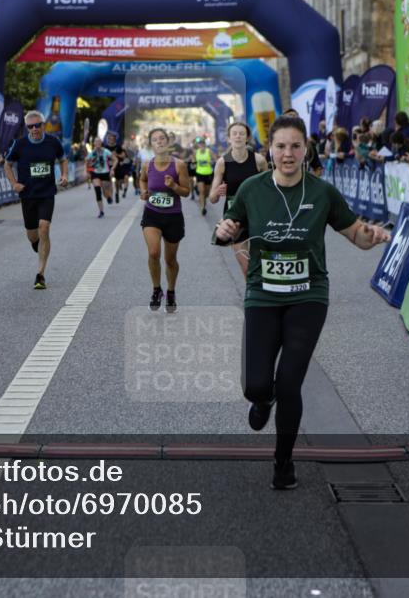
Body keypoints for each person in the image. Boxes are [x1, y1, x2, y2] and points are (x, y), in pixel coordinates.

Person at [213, 115, 390, 489]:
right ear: (270, 151)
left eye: (295, 146)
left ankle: (283, 462)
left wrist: (369, 237)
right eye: (281, 146)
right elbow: (230, 229)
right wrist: (225, 230)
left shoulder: (322, 192)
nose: (288, 153)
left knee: (290, 382)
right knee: (256, 385)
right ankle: (263, 400)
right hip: (262, 294)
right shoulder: (251, 189)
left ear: (306, 149)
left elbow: (354, 233)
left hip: (308, 295)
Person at [4, 109, 69, 290]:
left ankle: (40, 274)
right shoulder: (20, 144)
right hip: (28, 195)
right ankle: (38, 245)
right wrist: (14, 184)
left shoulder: (53, 142)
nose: (34, 129)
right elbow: (7, 165)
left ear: (43, 125)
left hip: (47, 193)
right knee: (32, 236)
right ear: (27, 128)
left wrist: (64, 175)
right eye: (30, 126)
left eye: (37, 125)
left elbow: (63, 160)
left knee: (44, 227)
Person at [139, 128, 191, 312]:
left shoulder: (179, 165)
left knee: (170, 260)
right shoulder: (147, 164)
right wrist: (143, 191)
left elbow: (187, 191)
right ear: (151, 144)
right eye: (155, 139)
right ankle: (156, 289)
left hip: (173, 217)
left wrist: (174, 186)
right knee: (154, 252)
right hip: (152, 214)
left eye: (162, 139)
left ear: (168, 142)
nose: (159, 142)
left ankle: (170, 291)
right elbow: (143, 180)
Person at [208, 121, 268, 278]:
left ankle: (265, 295)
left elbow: (270, 187)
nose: (238, 136)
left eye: (241, 133)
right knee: (246, 266)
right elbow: (212, 199)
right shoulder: (222, 163)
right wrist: (217, 192)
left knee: (262, 262)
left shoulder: (259, 160)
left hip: (258, 215)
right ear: (228, 138)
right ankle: (253, 298)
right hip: (234, 219)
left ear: (247, 137)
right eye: (234, 133)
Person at [86, 136, 115, 217]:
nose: (98, 143)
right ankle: (101, 211)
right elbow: (86, 161)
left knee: (105, 192)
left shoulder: (106, 151)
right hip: (95, 173)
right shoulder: (92, 153)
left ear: (101, 143)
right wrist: (87, 172)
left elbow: (115, 159)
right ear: (94, 143)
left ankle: (109, 197)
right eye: (96, 141)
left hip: (105, 173)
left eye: (99, 141)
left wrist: (112, 169)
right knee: (97, 191)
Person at [107, 131, 131, 202]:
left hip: (117, 166)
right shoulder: (105, 147)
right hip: (108, 167)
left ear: (115, 139)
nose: (111, 140)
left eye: (113, 139)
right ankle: (111, 195)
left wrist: (116, 155)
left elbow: (123, 156)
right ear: (108, 139)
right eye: (110, 139)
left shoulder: (118, 147)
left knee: (117, 181)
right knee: (109, 181)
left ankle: (117, 192)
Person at [192, 137, 214, 215]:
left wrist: (212, 162)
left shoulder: (209, 151)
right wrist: (193, 165)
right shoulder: (196, 152)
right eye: (200, 144)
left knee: (207, 193)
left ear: (205, 145)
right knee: (202, 191)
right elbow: (193, 161)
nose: (201, 145)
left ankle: (203, 201)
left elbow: (215, 159)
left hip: (208, 173)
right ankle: (202, 207)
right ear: (198, 145)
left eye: (203, 144)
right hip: (199, 173)